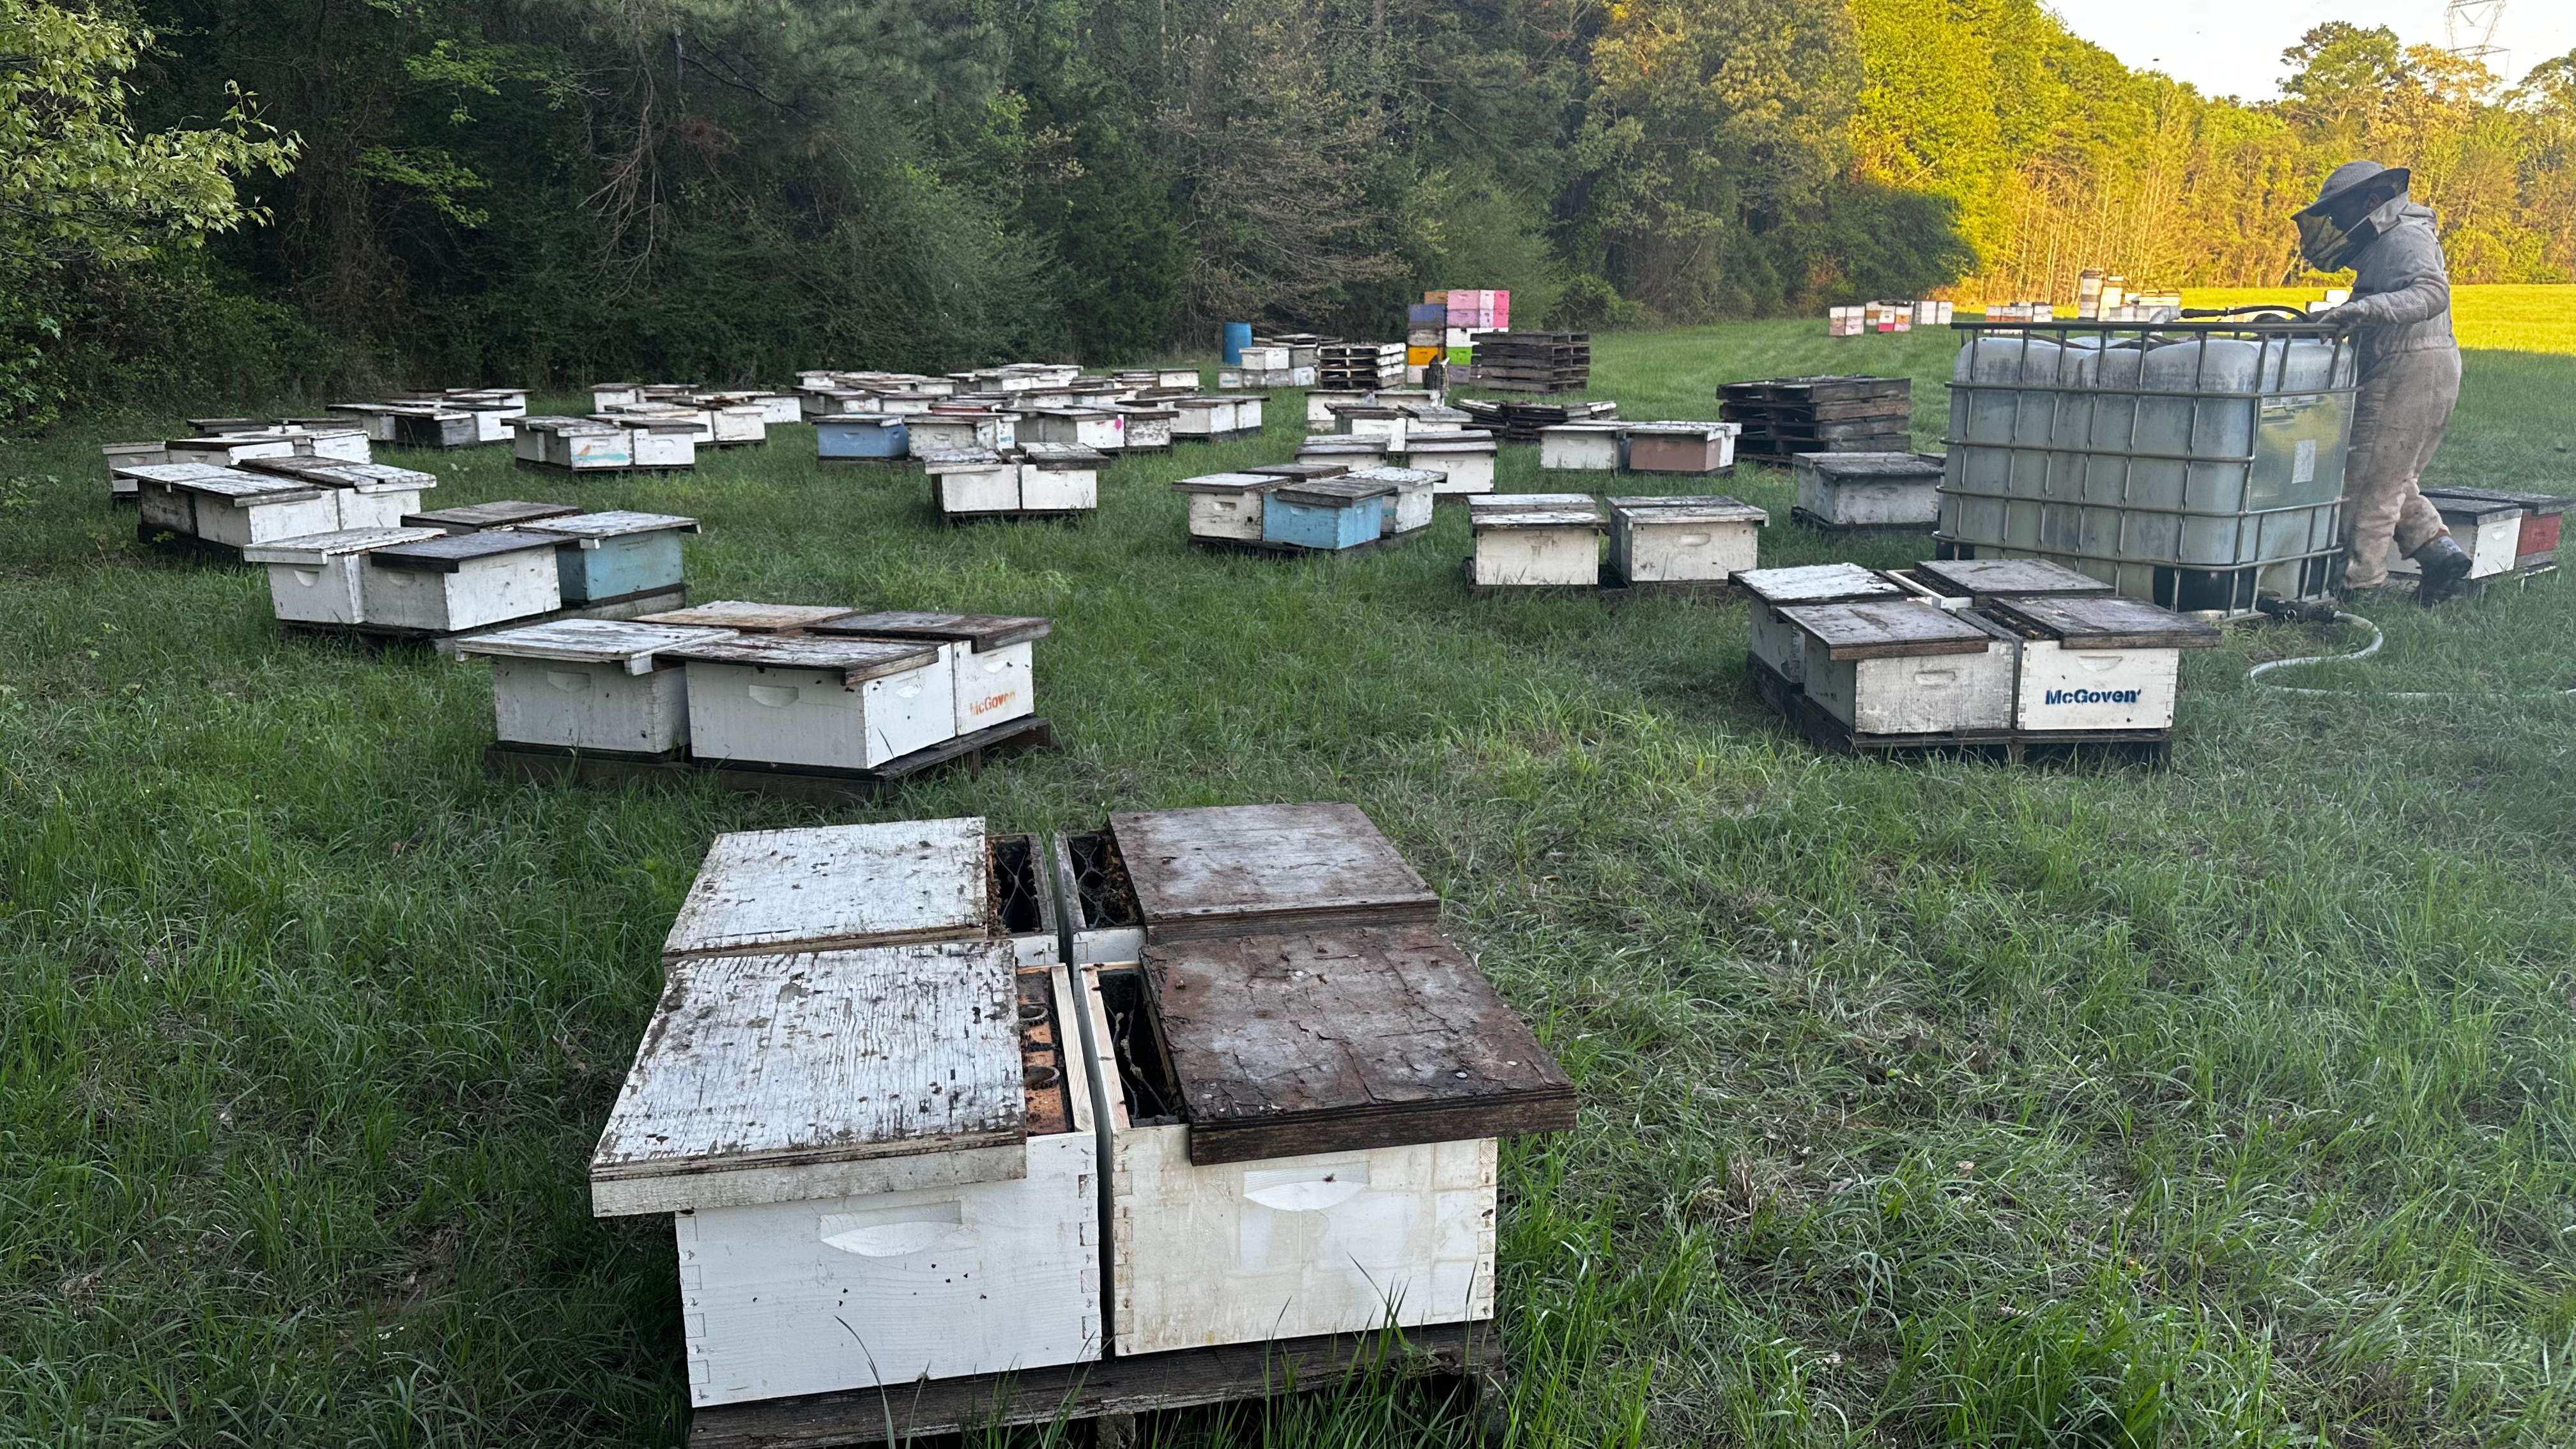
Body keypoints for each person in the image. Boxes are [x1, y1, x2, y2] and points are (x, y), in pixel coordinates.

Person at [2294, 161, 2475, 603]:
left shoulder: (2403, 236)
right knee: (2393, 475)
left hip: (2406, 366)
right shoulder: (2392, 237)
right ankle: (2438, 551)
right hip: (2431, 362)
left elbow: (2432, 292)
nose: (2335, 221)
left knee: (2367, 485)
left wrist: (2366, 311)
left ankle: (2360, 589)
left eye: (2341, 210)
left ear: (2372, 202)